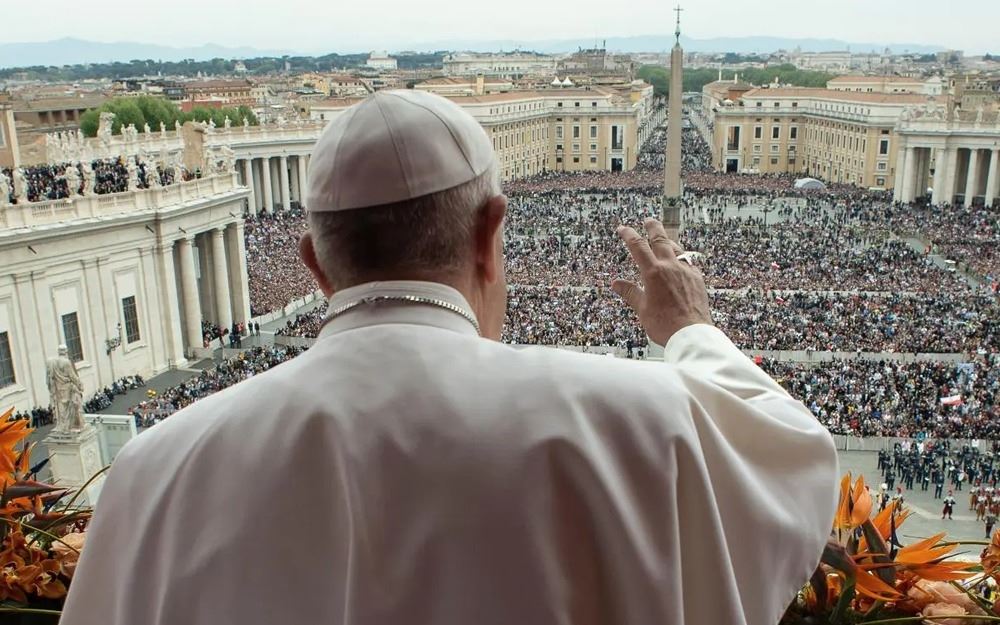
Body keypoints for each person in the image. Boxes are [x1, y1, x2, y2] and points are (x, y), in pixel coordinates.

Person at [61, 90, 839, 625]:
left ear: (315, 264)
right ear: (490, 234)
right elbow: (795, 452)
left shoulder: (153, 472)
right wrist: (690, 329)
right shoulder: (642, 417)